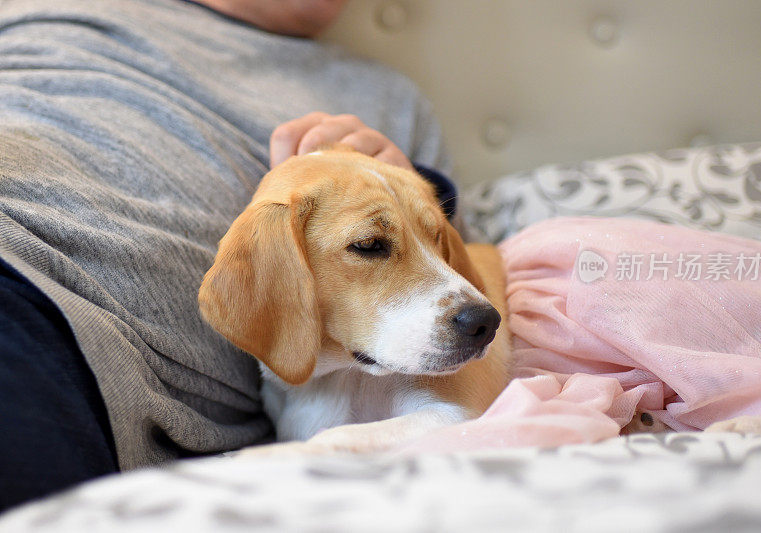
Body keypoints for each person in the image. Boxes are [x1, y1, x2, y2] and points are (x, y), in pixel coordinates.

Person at [0, 0, 454, 511]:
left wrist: (408, 189)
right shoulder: (50, 9)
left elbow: (454, 279)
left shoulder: (391, 98)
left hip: (69, 341)